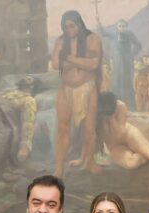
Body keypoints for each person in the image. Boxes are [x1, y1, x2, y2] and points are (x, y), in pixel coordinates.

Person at [50, 10, 104, 176]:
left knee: (89, 129)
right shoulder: (61, 41)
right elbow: (55, 65)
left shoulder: (93, 39)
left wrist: (68, 58)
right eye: (66, 27)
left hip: (88, 88)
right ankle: (59, 166)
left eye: (72, 26)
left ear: (79, 24)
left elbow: (93, 64)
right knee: (62, 129)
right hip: (66, 89)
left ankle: (90, 161)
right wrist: (80, 61)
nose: (69, 30)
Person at [98, 18, 142, 110]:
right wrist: (98, 22)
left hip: (127, 64)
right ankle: (115, 106)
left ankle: (130, 106)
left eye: (123, 26)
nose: (121, 28)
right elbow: (104, 33)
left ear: (126, 26)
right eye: (120, 26)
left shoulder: (130, 34)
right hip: (117, 63)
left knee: (127, 83)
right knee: (116, 82)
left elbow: (138, 45)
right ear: (117, 27)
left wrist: (131, 54)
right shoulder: (114, 34)